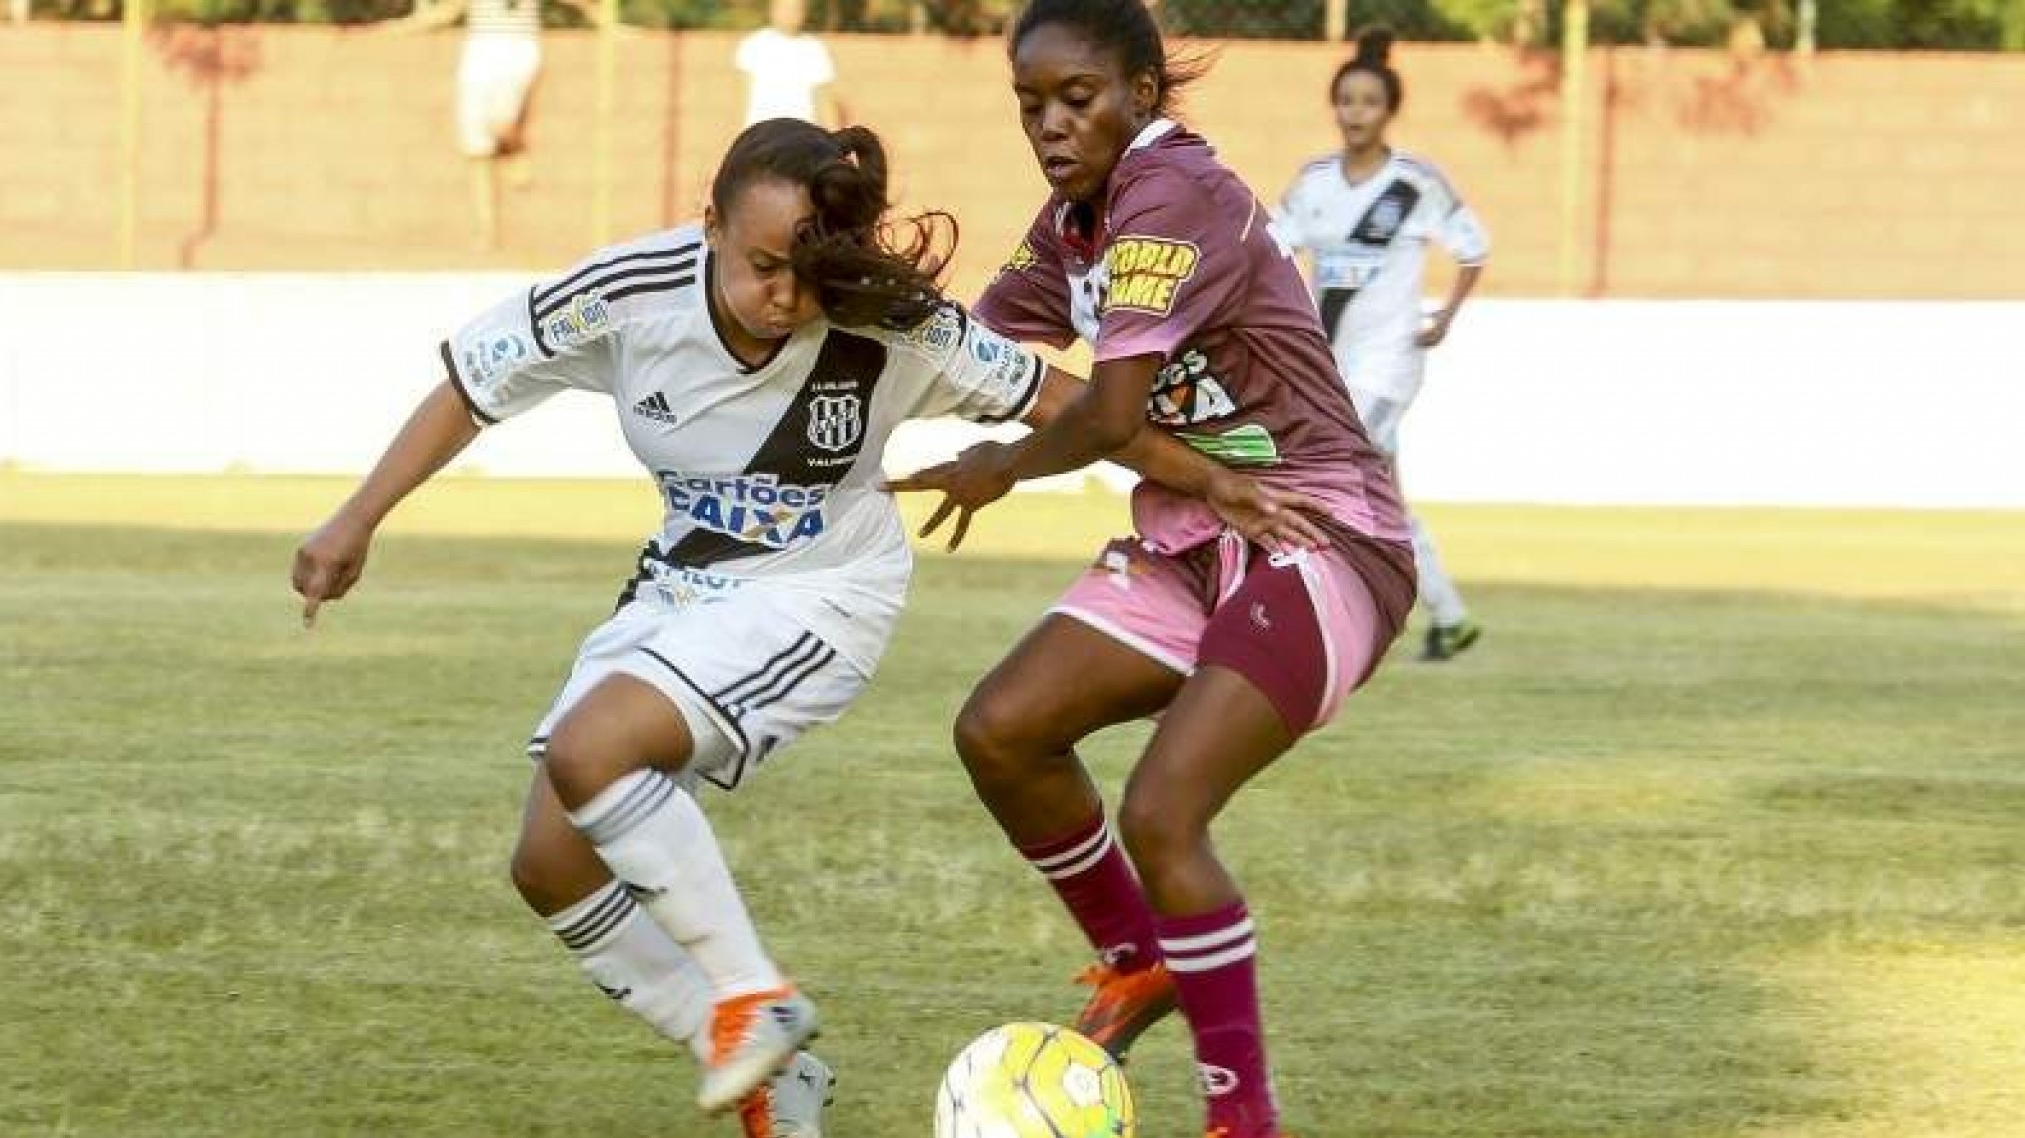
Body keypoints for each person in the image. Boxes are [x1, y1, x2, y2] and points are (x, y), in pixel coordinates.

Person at [291, 117, 1313, 1138]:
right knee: (550, 861)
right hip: (681, 585)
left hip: (823, 590)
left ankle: (754, 997)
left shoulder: (890, 323)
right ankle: (769, 1073)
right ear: (710, 229)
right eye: (762, 266)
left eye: (807, 271)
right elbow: (472, 388)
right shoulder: (627, 293)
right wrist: (356, 515)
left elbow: (1071, 403)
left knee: (591, 747)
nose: (785, 296)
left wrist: (1218, 480)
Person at [885, 3, 1417, 1136]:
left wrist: (1002, 466)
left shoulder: (1171, 194)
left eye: (1076, 98)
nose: (1050, 124)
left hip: (1321, 532)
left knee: (1165, 810)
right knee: (1002, 730)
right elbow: (978, 343)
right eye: (1030, 104)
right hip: (1192, 535)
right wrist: (860, 303)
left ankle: (1244, 1118)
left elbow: (1109, 409)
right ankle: (1141, 963)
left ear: (1140, 91)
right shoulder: (1074, 221)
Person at [1275, 28, 1490, 661]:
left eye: (1368, 102)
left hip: (1391, 362)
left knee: (1322, 473)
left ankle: (1303, 617)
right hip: (1329, 366)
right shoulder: (1314, 181)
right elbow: (1269, 248)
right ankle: (1449, 616)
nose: (1355, 114)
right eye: (1346, 101)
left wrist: (1445, 316)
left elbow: (1473, 248)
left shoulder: (1414, 182)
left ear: (1388, 109)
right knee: (1381, 496)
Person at [390, 0, 603, 251]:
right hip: (480, 49)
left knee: (501, 123)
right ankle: (487, 228)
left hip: (518, 49)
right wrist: (405, 27)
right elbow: (448, 12)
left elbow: (584, 4)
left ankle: (514, 147)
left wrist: (609, 25)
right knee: (476, 147)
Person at [736, 0, 843, 128]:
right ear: (773, 10)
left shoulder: (816, 49)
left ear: (804, 13)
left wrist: (835, 141)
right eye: (785, 8)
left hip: (802, 134)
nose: (790, 14)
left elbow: (825, 101)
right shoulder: (753, 45)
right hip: (761, 134)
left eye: (796, 9)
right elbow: (742, 98)